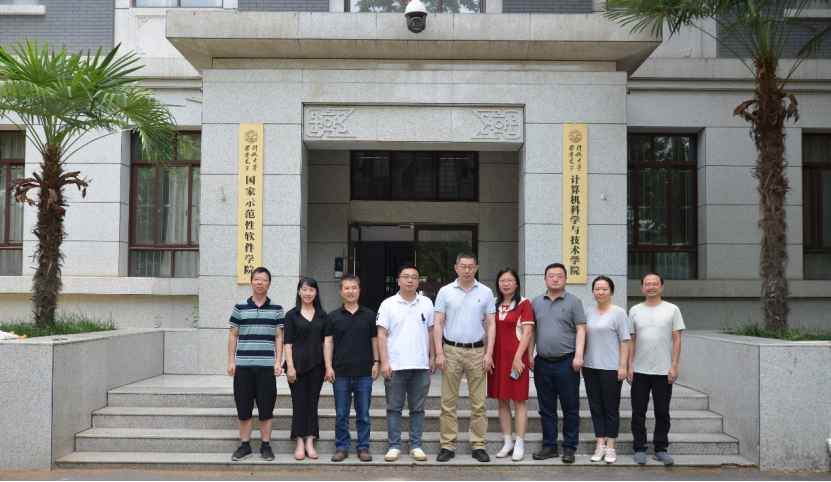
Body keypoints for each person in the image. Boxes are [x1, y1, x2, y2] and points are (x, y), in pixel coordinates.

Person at [433, 252, 496, 463]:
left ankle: (478, 445)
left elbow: (491, 324)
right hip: (451, 351)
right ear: (456, 268)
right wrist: (439, 353)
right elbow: (438, 324)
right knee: (448, 403)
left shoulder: (486, 292)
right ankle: (447, 445)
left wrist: (489, 353)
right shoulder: (445, 291)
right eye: (463, 266)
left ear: (476, 268)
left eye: (471, 266)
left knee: (478, 403)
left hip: (477, 351)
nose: (467, 270)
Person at [377, 265, 437, 463]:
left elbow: (431, 332)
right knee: (393, 408)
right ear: (398, 280)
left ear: (419, 282)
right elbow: (381, 334)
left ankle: (415, 445)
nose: (410, 280)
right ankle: (394, 446)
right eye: (406, 276)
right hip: (395, 365)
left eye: (414, 277)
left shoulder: (427, 303)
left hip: (420, 365)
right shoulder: (388, 304)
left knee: (418, 408)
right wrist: (384, 362)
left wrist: (432, 357)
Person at [529, 263, 586, 464]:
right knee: (546, 407)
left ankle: (569, 447)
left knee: (570, 407)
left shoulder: (574, 301)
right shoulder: (536, 302)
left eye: (559, 276)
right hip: (542, 363)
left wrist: (579, 355)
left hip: (567, 363)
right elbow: (532, 331)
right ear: (544, 279)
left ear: (565, 279)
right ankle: (549, 446)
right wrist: (530, 355)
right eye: (551, 276)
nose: (555, 279)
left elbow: (581, 329)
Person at [227, 267, 285, 462]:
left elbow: (279, 337)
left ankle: (265, 446)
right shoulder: (240, 307)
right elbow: (233, 335)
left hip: (267, 366)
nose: (260, 282)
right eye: (257, 279)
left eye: (264, 279)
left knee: (266, 409)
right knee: (243, 409)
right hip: (242, 366)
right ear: (251, 282)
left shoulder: (277, 309)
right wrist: (231, 361)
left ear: (269, 283)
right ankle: (245, 446)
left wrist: (278, 361)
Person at [628, 272, 685, 466]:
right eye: (647, 284)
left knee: (662, 411)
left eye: (655, 284)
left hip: (663, 370)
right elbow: (631, 340)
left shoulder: (672, 309)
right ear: (641, 288)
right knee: (638, 411)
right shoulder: (634, 310)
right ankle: (639, 448)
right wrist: (629, 365)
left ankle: (660, 449)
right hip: (639, 369)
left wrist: (674, 365)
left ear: (662, 287)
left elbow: (677, 339)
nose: (651, 287)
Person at [324, 274, 380, 463]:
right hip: (340, 373)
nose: (350, 291)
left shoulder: (369, 315)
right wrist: (328, 366)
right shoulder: (333, 316)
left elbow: (375, 340)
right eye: (346, 288)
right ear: (340, 291)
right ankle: (341, 447)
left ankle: (363, 447)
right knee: (342, 413)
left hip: (364, 372)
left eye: (354, 287)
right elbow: (328, 342)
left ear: (359, 290)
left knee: (363, 414)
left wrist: (377, 362)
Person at [489, 267, 535, 462]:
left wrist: (518, 358)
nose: (506, 284)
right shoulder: (493, 303)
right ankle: (507, 441)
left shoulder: (524, 303)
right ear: (498, 283)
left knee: (518, 400)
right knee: (502, 399)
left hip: (517, 358)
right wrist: (487, 354)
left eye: (510, 280)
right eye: (502, 280)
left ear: (517, 283)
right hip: (497, 357)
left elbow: (527, 333)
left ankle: (519, 442)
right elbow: (488, 330)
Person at [583, 276, 630, 465]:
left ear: (611, 291)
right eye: (597, 289)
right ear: (593, 291)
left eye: (604, 289)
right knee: (595, 407)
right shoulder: (588, 312)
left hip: (611, 368)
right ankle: (600, 444)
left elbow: (625, 341)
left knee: (610, 408)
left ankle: (611, 446)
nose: (600, 292)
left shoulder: (619, 313)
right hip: (590, 367)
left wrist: (622, 366)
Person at [283, 277, 327, 461]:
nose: (308, 293)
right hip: (297, 364)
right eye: (304, 289)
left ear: (316, 293)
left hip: (317, 364)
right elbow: (287, 342)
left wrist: (328, 366)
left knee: (312, 402)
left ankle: (310, 441)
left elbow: (326, 343)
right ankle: (299, 441)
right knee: (299, 402)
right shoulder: (291, 315)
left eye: (311, 290)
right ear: (299, 292)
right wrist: (290, 366)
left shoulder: (323, 315)